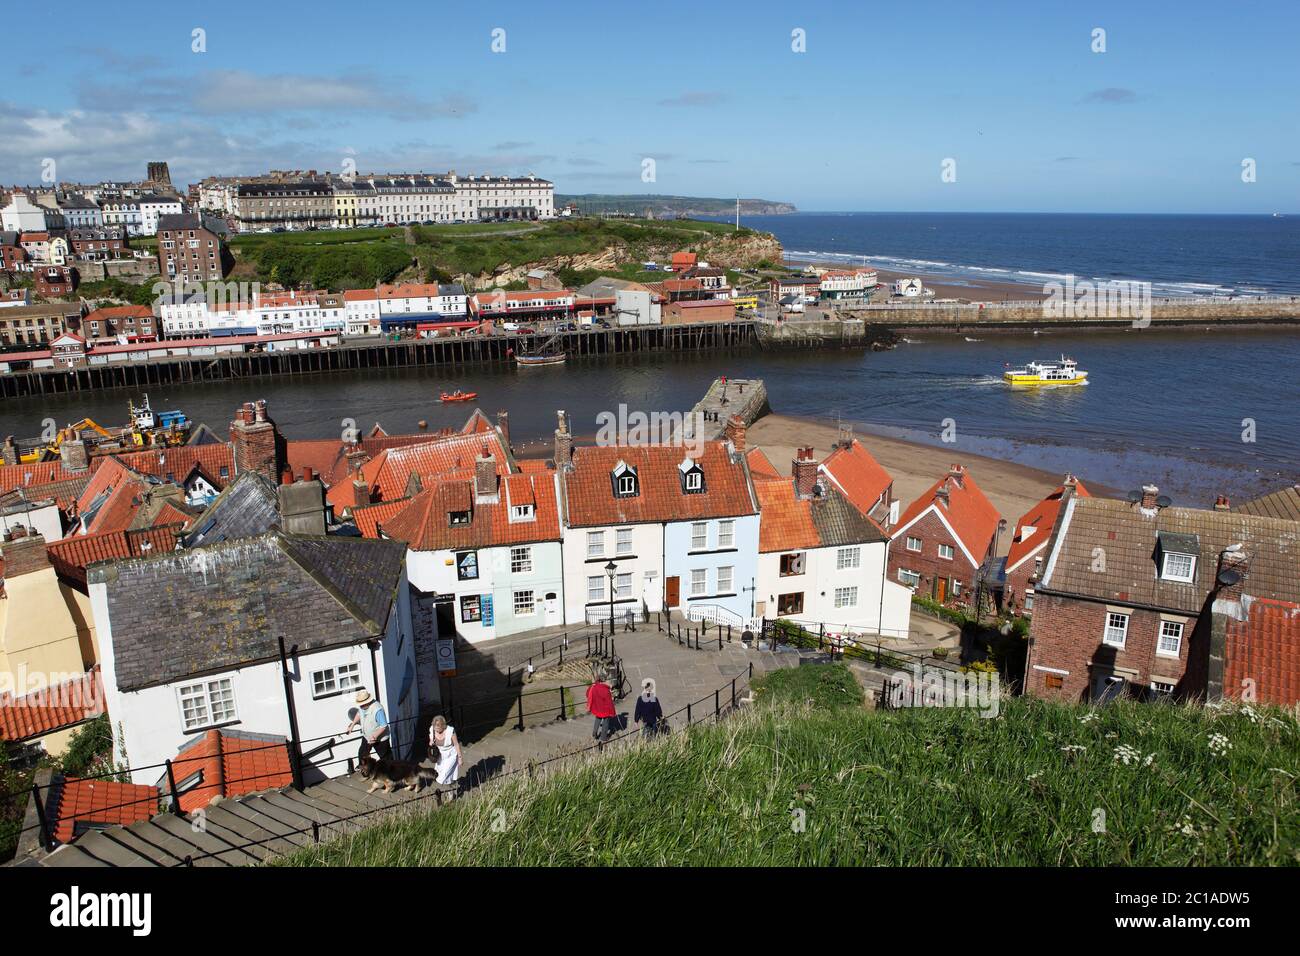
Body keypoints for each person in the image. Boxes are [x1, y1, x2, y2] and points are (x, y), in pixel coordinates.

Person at [346, 689, 390, 761]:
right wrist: (352, 725)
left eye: (363, 704)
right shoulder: (362, 707)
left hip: (380, 739)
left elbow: (383, 726)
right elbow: (359, 714)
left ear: (368, 701)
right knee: (362, 754)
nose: (361, 706)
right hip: (367, 736)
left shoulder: (377, 709)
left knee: (386, 759)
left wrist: (374, 737)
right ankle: (363, 770)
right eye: (360, 704)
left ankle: (390, 771)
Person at [428, 715, 462, 786]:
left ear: (443, 726)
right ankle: (451, 790)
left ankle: (447, 787)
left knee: (444, 775)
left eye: (438, 728)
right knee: (446, 775)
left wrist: (460, 758)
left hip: (451, 754)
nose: (436, 730)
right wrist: (431, 742)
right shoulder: (432, 729)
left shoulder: (450, 731)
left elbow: (456, 744)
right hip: (440, 755)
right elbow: (431, 740)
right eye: (435, 728)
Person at [587, 670, 617, 743]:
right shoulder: (606, 690)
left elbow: (587, 693)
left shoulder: (594, 687)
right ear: (604, 680)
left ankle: (594, 734)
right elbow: (609, 702)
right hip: (605, 709)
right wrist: (613, 711)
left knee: (597, 719)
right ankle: (603, 737)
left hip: (597, 707)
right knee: (606, 723)